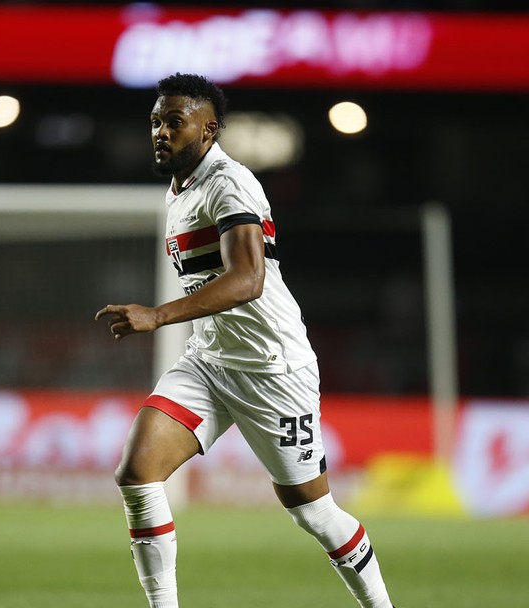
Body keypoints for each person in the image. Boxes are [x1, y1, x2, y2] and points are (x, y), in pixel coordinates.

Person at [95, 73, 395, 608]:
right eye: (155, 123)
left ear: (209, 130)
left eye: (174, 122)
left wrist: (157, 315)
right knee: (138, 471)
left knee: (314, 513)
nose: (160, 132)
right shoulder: (179, 188)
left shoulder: (229, 182)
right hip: (210, 359)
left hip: (271, 367)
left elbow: (247, 279)